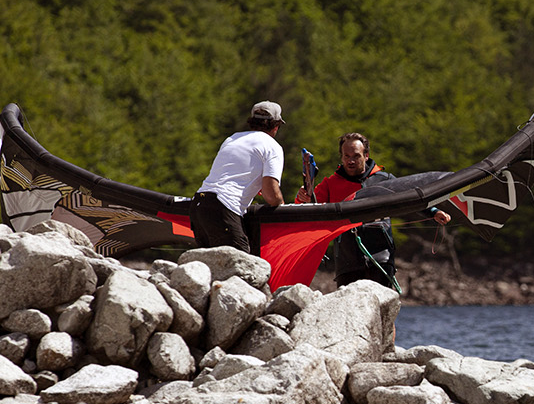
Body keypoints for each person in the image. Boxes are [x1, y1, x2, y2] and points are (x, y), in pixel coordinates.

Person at [295, 131, 450, 288]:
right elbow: (305, 208)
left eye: (356, 156)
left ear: (366, 155)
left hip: (381, 257)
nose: (350, 161)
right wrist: (302, 197)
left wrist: (434, 212)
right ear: (341, 157)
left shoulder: (385, 180)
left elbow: (411, 198)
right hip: (347, 261)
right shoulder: (330, 184)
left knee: (382, 308)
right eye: (346, 156)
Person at [191, 100, 287, 253]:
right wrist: (282, 207)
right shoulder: (272, 146)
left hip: (199, 205)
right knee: (241, 270)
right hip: (224, 207)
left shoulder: (232, 138)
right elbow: (272, 196)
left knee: (211, 269)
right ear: (276, 126)